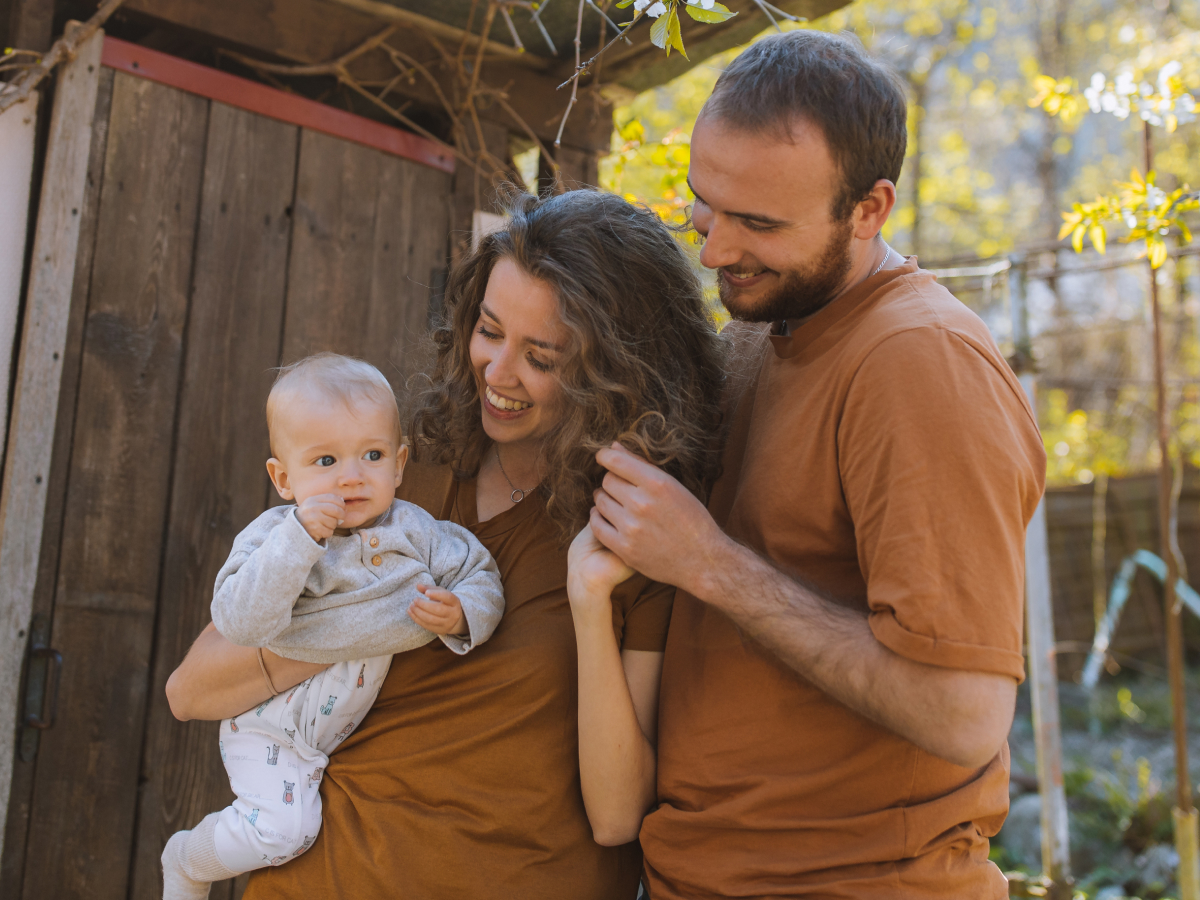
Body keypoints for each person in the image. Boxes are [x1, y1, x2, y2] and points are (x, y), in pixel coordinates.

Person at [588, 31, 1047, 899]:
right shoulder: (764, 323)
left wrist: (708, 563)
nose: (716, 250)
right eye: (704, 204)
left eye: (759, 223)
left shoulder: (921, 365)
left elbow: (964, 713)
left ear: (869, 209)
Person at [163, 189, 725, 899]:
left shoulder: (638, 538)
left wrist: (588, 601)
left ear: (615, 369)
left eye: (541, 356)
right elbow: (192, 690)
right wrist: (369, 617)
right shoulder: (391, 479)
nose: (497, 372)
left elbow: (616, 819)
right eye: (489, 331)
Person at [161, 354, 504, 900]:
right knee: (282, 832)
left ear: (398, 465)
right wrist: (298, 541)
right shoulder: (272, 538)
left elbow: (478, 571)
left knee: (308, 826)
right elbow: (239, 620)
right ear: (283, 478)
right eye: (324, 461)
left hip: (332, 737)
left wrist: (462, 613)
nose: (351, 476)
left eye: (371, 455)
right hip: (266, 723)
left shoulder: (418, 531)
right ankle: (187, 860)